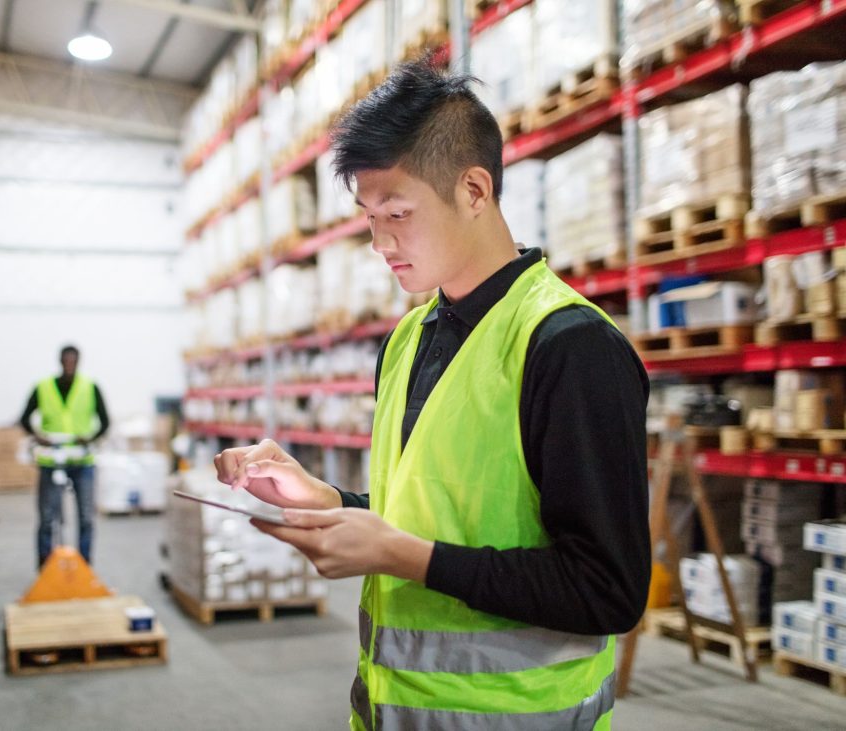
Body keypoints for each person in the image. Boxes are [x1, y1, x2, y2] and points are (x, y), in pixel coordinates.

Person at [214, 59, 650, 730]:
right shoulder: (410, 338)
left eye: (397, 212)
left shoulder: (568, 347)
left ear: (474, 190)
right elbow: (424, 513)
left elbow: (607, 589)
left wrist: (397, 555)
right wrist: (327, 500)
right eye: (367, 216)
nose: (379, 241)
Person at [20, 345, 110, 567]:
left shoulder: (90, 387)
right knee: (48, 518)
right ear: (60, 361)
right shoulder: (43, 387)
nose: (69, 365)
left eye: (73, 361)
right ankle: (46, 567)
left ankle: (84, 567)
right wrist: (38, 436)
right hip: (52, 461)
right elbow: (24, 418)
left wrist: (89, 438)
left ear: (79, 362)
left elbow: (105, 422)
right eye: (66, 361)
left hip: (82, 461)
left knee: (86, 518)